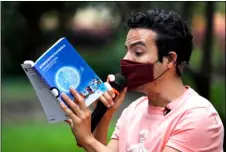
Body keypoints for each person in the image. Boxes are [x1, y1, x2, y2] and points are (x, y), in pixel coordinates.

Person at [59, 9, 224, 152]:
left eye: (138, 52)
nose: (126, 59)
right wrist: (105, 115)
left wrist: (87, 140)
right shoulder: (134, 110)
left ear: (170, 60)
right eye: (127, 51)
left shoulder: (198, 116)